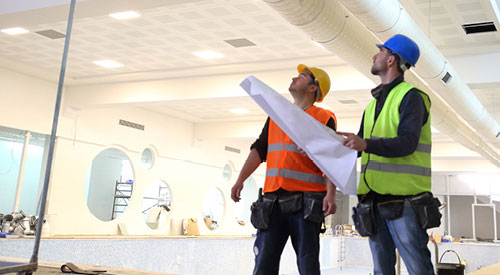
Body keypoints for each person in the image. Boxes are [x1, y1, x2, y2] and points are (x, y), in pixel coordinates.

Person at [338, 34, 437, 275]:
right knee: (381, 270)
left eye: (380, 51)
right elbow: (360, 146)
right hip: (373, 200)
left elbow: (407, 143)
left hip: (404, 201)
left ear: (392, 59)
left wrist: (365, 144)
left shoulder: (412, 97)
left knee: (418, 268)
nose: (375, 55)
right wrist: (326, 145)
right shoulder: (372, 105)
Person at [231, 64, 337, 275]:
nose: (294, 78)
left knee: (307, 265)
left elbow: (332, 159)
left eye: (302, 76)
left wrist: (331, 195)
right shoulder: (276, 115)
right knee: (263, 265)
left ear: (312, 88)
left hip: (306, 202)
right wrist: (240, 179)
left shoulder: (324, 118)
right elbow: (260, 149)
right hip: (272, 202)